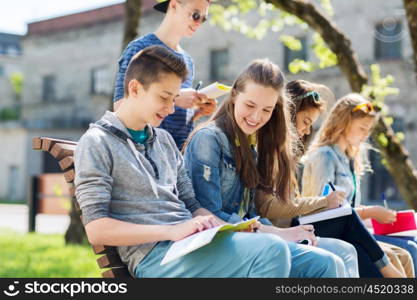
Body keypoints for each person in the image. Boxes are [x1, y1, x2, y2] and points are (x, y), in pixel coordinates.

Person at [74, 45, 299, 278]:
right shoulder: (97, 142)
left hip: (193, 244)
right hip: (155, 257)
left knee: (320, 262)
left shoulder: (163, 140)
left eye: (174, 99)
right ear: (135, 88)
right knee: (271, 251)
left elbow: (192, 205)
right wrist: (172, 231)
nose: (171, 109)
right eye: (164, 97)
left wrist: (220, 226)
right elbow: (97, 230)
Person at [183, 60, 343, 278]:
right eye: (250, 105)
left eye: (267, 110)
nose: (256, 117)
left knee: (330, 262)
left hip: (247, 239)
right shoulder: (208, 139)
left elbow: (250, 213)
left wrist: (282, 232)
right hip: (217, 243)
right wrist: (276, 233)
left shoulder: (250, 145)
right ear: (234, 95)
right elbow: (209, 215)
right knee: (317, 262)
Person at [301, 93, 411, 277]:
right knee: (393, 256)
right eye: (361, 128)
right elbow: (324, 209)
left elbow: (349, 208)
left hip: (354, 232)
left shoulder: (350, 160)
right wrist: (371, 212)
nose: (365, 135)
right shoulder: (325, 156)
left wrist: (379, 216)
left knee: (406, 252)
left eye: (368, 130)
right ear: (343, 123)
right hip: (328, 232)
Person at [113, 0, 216, 149]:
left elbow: (173, 117)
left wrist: (195, 111)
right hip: (146, 153)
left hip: (180, 155)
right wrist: (177, 97)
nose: (199, 22)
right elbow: (120, 108)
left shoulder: (188, 60)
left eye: (204, 18)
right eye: (195, 15)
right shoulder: (140, 48)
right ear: (174, 5)